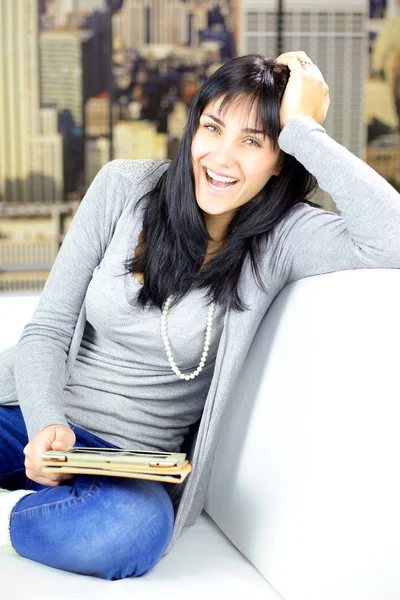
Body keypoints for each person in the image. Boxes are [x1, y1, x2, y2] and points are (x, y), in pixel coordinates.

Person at [0, 51, 399, 580]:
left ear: (280, 157)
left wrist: (303, 129)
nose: (223, 157)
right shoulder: (126, 187)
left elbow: (391, 237)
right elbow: (47, 329)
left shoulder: (282, 240)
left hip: (129, 464)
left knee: (130, 535)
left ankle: (34, 515)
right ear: (192, 130)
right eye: (213, 128)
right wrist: (46, 422)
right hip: (31, 416)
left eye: (253, 141)